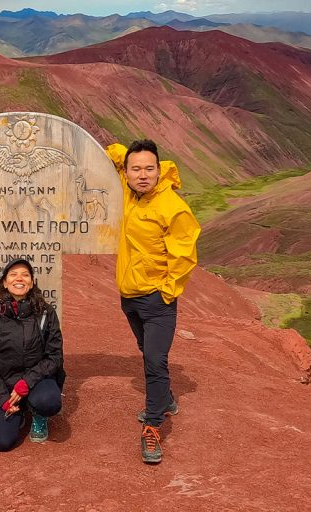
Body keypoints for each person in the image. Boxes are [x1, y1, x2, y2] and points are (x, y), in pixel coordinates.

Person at [106, 139, 201, 464]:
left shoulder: (171, 206)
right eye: (136, 169)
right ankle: (167, 399)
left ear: (160, 170)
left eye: (149, 168)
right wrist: (122, 157)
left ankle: (153, 425)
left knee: (154, 361)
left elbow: (185, 253)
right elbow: (114, 152)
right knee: (146, 350)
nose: (142, 174)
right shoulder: (128, 190)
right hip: (128, 297)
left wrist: (166, 292)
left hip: (157, 300)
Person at [0, 258, 65, 452]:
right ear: (5, 282)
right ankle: (20, 409)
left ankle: (39, 413)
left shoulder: (45, 313)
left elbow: (55, 356)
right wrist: (2, 398)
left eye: (25, 275)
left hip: (37, 379)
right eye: (13, 275)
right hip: (5, 383)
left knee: (49, 401)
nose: (20, 279)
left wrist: (26, 383)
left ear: (32, 282)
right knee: (2, 442)